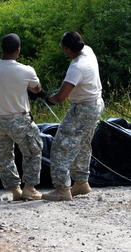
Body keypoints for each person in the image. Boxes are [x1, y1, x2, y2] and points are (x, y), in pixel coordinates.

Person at [42, 31, 103, 202]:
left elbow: (60, 97)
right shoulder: (88, 51)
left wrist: (46, 97)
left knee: (61, 146)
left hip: (82, 109)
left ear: (68, 49)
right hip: (95, 105)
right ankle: (81, 183)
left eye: (62, 47)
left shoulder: (77, 68)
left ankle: (62, 189)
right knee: (82, 144)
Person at [0, 34, 46, 201]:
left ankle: (15, 191)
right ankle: (30, 188)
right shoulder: (27, 70)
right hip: (19, 119)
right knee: (33, 151)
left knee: (3, 156)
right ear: (18, 50)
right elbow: (36, 89)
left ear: (2, 49)